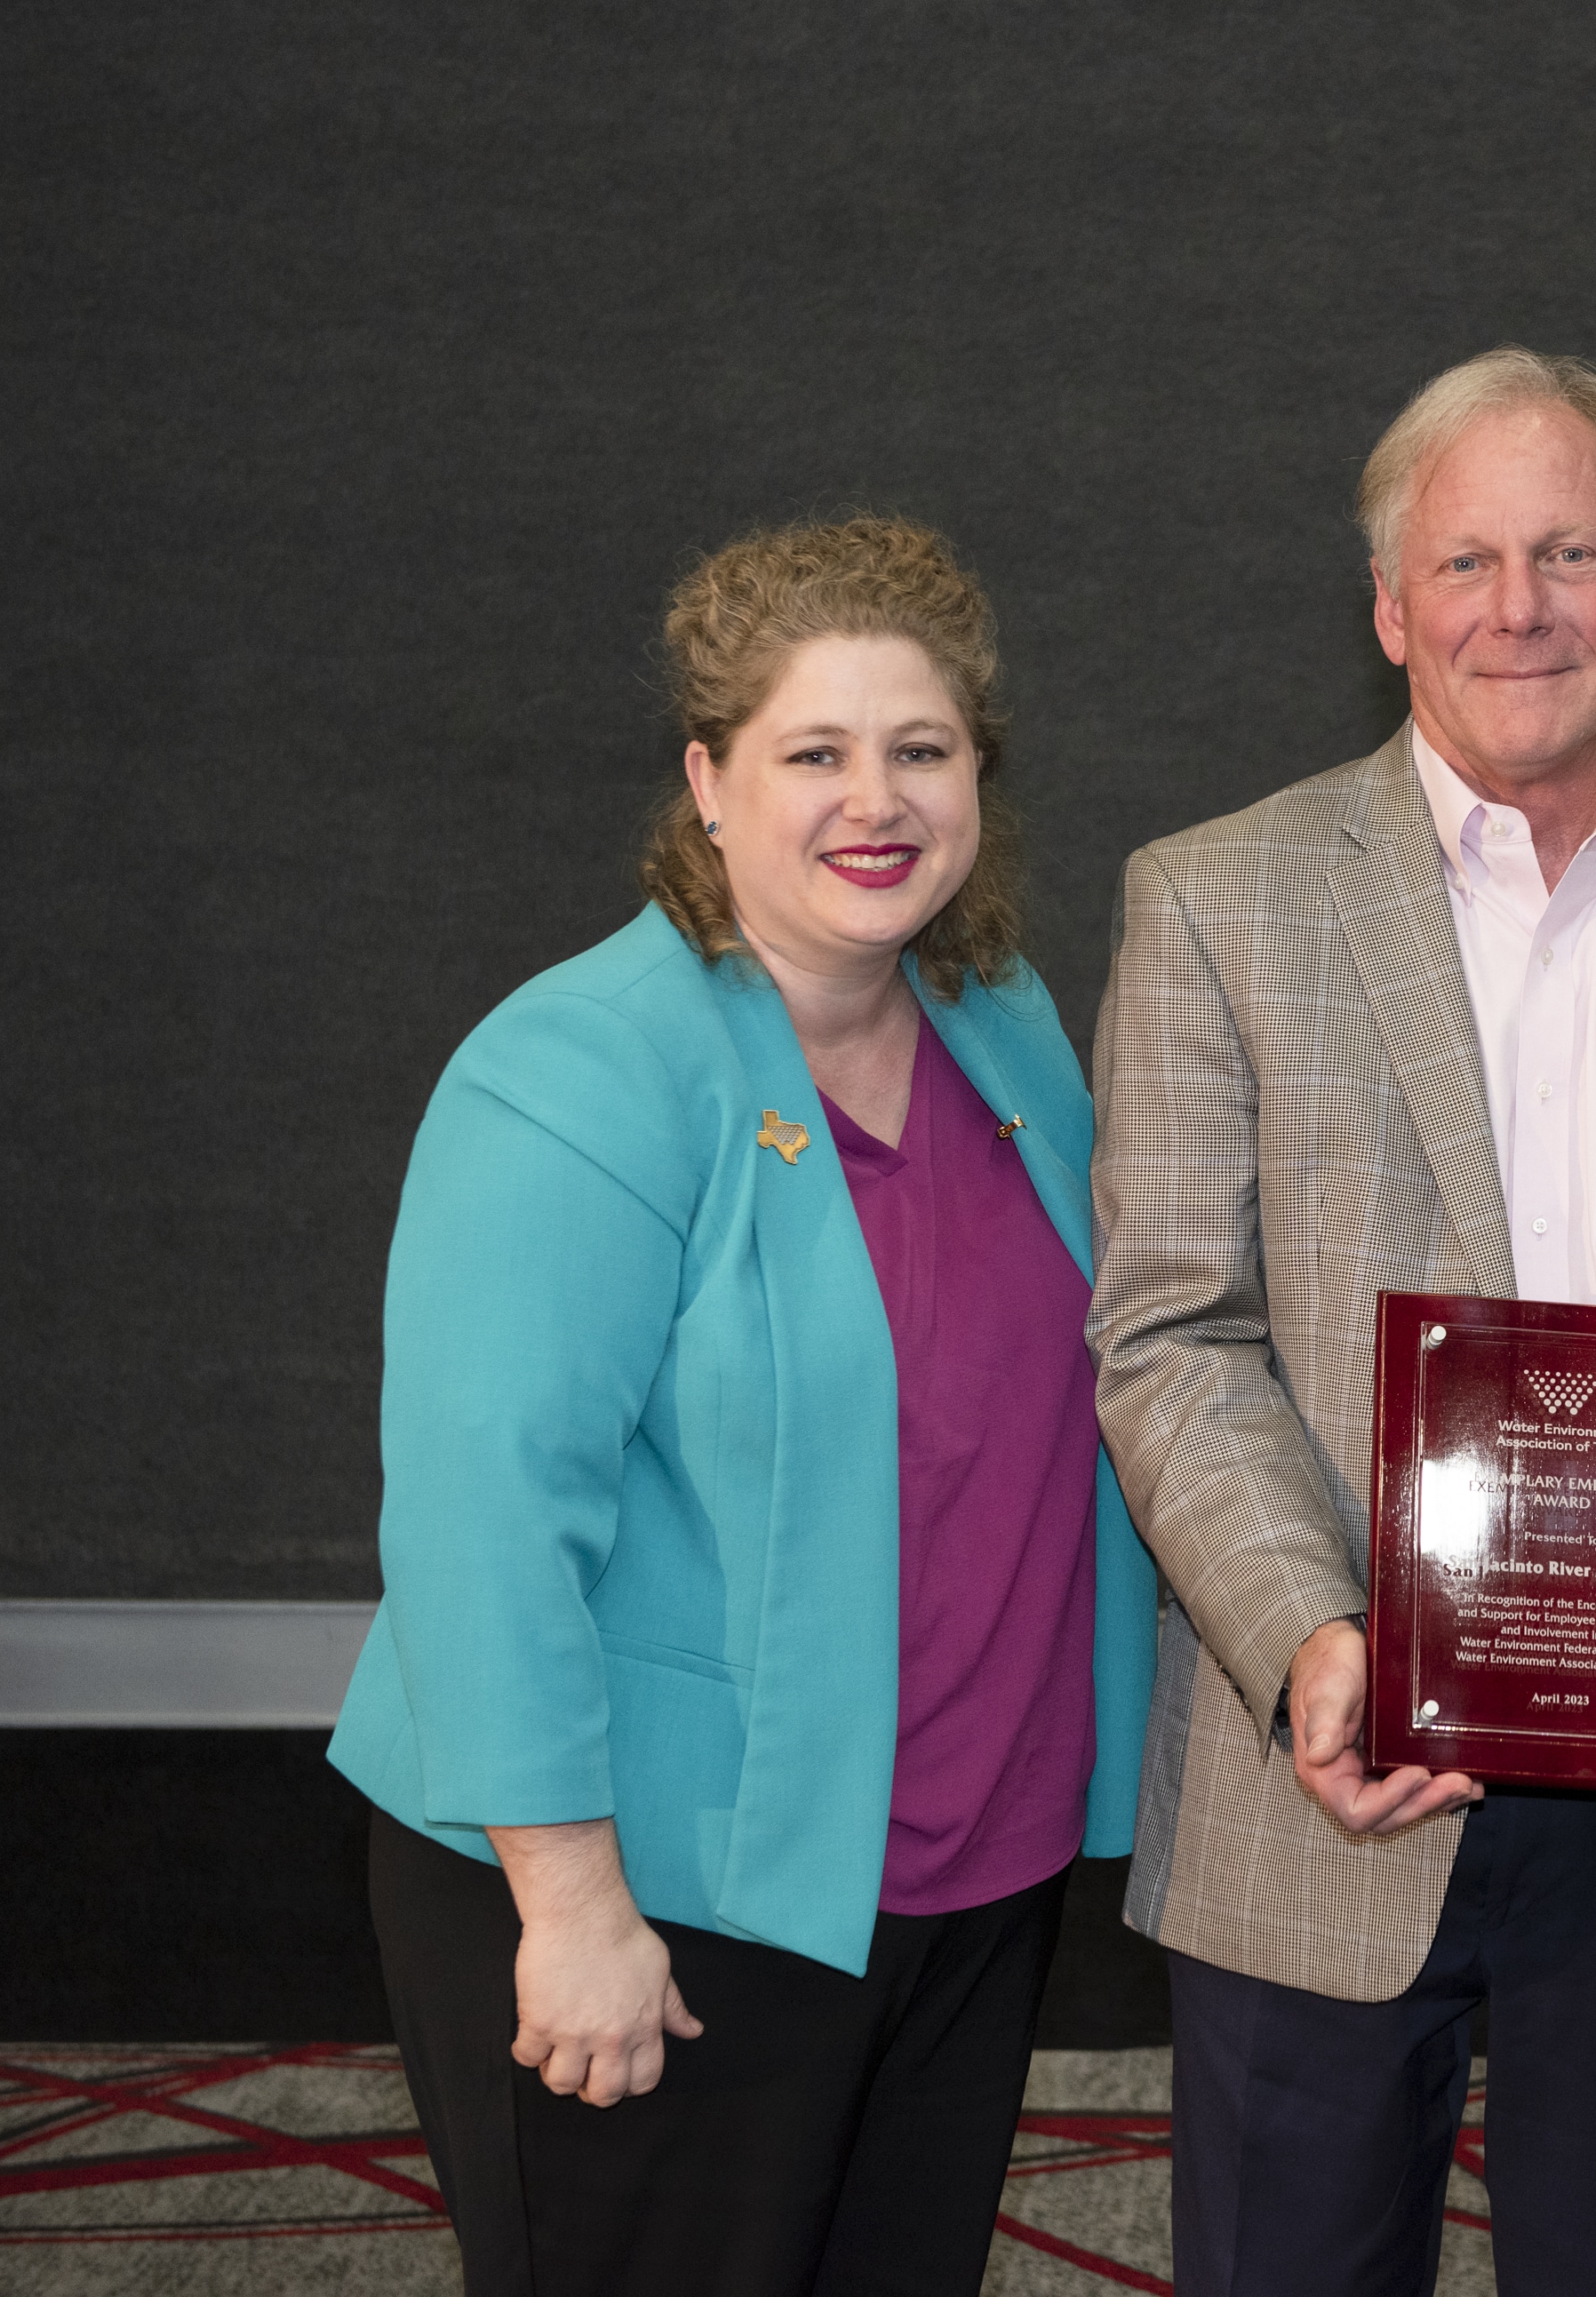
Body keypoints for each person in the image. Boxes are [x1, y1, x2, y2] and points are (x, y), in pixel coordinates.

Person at [1086, 347, 1596, 2297]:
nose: (1518, 606)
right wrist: (1307, 1637)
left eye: (1569, 552)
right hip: (1333, 1777)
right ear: (1390, 609)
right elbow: (1169, 1332)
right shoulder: (1219, 902)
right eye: (1466, 562)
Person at [326, 515, 1157, 2296]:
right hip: (672, 1896)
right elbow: (483, 1521)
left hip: (964, 1869)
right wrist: (571, 1907)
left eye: (921, 750)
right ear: (708, 782)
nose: (879, 799)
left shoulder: (997, 1016)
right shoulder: (579, 1070)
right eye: (816, 753)